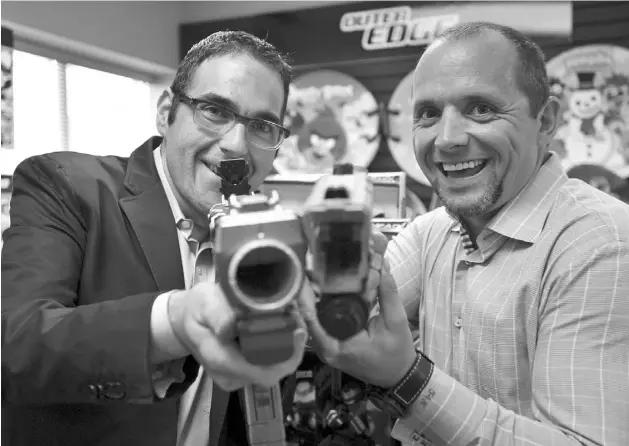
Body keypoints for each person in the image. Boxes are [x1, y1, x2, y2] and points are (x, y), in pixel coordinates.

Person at [302, 22, 629, 446]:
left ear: (545, 120)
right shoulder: (432, 233)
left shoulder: (600, 244)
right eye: (429, 114)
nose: (448, 139)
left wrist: (409, 379)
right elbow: (332, 323)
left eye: (481, 109)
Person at [2, 30, 311, 446]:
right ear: (167, 112)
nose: (237, 145)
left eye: (262, 126)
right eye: (215, 111)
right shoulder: (65, 186)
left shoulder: (267, 237)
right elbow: (16, 348)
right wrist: (175, 321)